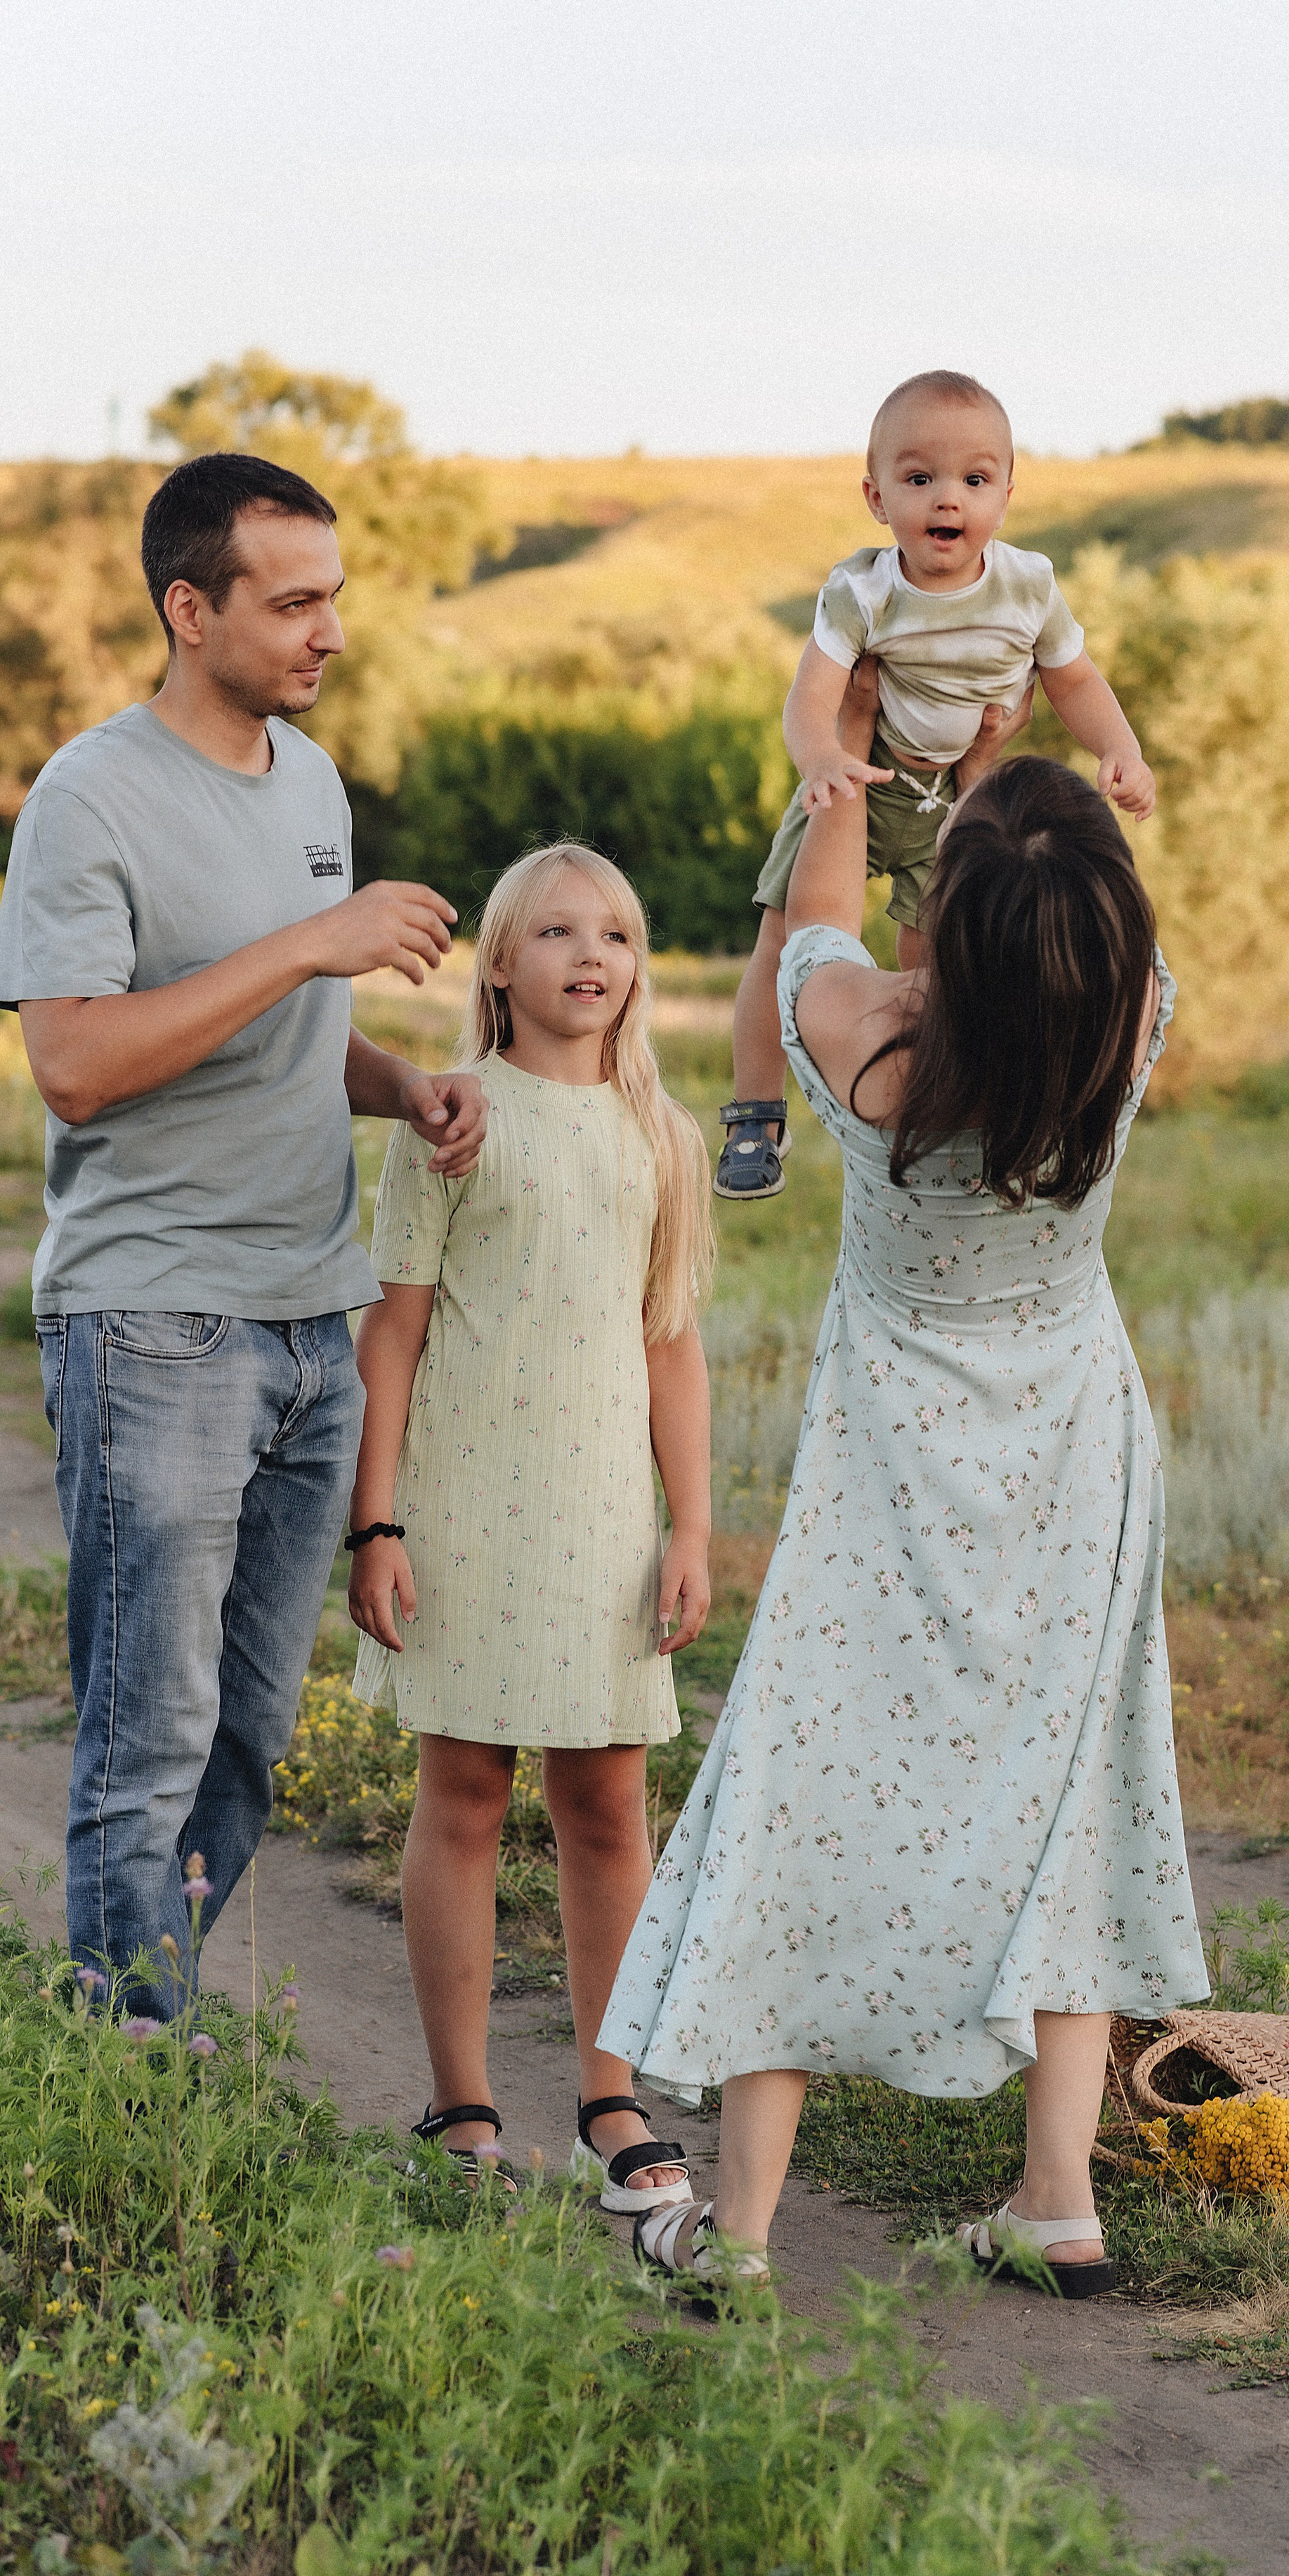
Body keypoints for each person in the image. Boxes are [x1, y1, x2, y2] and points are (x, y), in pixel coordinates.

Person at [604, 747, 1210, 2302]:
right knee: (1073, 1789)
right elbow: (1063, 925)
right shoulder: (1126, 1021)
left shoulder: (864, 1048)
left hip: (886, 1471)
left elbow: (815, 911)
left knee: (800, 1790)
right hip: (1074, 1450)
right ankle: (1055, 2197)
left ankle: (734, 2235)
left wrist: (846, 750)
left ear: (941, 926)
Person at [0, 451, 489, 2017]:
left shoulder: (312, 782)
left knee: (248, 1735)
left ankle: (125, 2018)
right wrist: (308, 946)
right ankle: (126, 2062)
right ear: (188, 608)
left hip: (308, 1323)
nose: (327, 629)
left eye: (334, 596)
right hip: (155, 1325)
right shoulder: (91, 795)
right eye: (292, 601)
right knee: (149, 1724)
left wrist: (397, 1080)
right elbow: (75, 1062)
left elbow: (277, 1031)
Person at [346, 842, 714, 2199]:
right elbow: (393, 1334)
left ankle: (609, 2103)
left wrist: (690, 1528)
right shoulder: (453, 1116)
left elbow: (671, 1345)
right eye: (556, 931)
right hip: (466, 1510)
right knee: (464, 1793)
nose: (590, 954)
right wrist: (373, 1524)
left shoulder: (658, 1136)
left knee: (609, 1806)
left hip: (606, 1516)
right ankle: (461, 2109)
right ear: (500, 963)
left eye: (614, 931)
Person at [714, 369, 1156, 1203]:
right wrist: (822, 761)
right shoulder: (862, 590)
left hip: (956, 801)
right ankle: (754, 1115)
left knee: (939, 961)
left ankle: (944, 1103)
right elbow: (812, 697)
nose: (946, 499)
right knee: (782, 936)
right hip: (863, 773)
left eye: (973, 480)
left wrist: (1119, 750)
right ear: (877, 497)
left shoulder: (1027, 586)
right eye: (920, 479)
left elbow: (1074, 682)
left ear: (1006, 495)